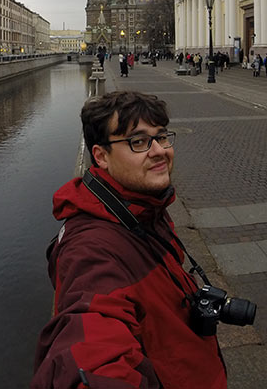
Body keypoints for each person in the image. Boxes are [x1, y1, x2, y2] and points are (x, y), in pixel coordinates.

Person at [31, 91, 228, 388]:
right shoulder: (91, 250)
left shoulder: (143, 207)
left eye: (161, 137)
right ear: (100, 156)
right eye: (139, 142)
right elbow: (92, 343)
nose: (159, 150)